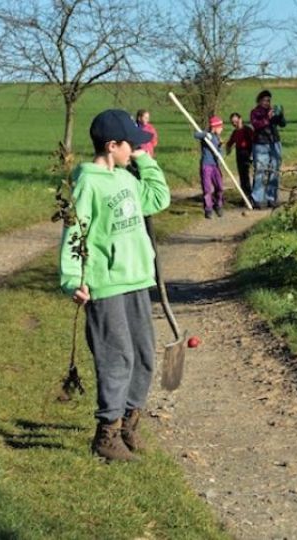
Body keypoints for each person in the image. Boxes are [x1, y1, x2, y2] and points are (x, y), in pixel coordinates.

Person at [59, 109, 170, 462]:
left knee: (144, 356)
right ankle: (106, 434)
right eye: (129, 145)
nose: (135, 150)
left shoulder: (126, 178)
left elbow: (157, 198)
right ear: (111, 146)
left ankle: (128, 424)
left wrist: (144, 160)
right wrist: (73, 279)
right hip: (105, 283)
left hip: (136, 278)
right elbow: (74, 231)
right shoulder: (88, 183)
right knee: (116, 357)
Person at [250, 89, 286, 208]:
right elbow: (256, 125)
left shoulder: (272, 112)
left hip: (274, 143)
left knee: (274, 171)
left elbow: (282, 124)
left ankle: (271, 198)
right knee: (260, 170)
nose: (267, 103)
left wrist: (280, 115)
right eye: (265, 100)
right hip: (260, 144)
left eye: (269, 100)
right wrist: (267, 117)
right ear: (259, 101)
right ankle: (257, 198)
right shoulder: (255, 112)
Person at [194, 115, 225, 218]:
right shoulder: (207, 136)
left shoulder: (218, 139)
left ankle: (218, 205)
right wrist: (206, 134)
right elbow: (196, 135)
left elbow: (221, 153)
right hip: (206, 165)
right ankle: (208, 209)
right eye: (220, 127)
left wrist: (220, 150)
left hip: (216, 165)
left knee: (220, 187)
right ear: (215, 127)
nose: (222, 129)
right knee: (207, 188)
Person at [225, 112, 253, 204]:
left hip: (247, 154)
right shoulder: (235, 132)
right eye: (233, 122)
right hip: (239, 154)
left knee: (246, 176)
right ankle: (244, 196)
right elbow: (230, 143)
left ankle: (249, 196)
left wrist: (252, 155)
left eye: (236, 121)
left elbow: (254, 142)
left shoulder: (247, 130)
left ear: (240, 119)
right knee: (242, 176)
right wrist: (227, 149)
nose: (234, 124)